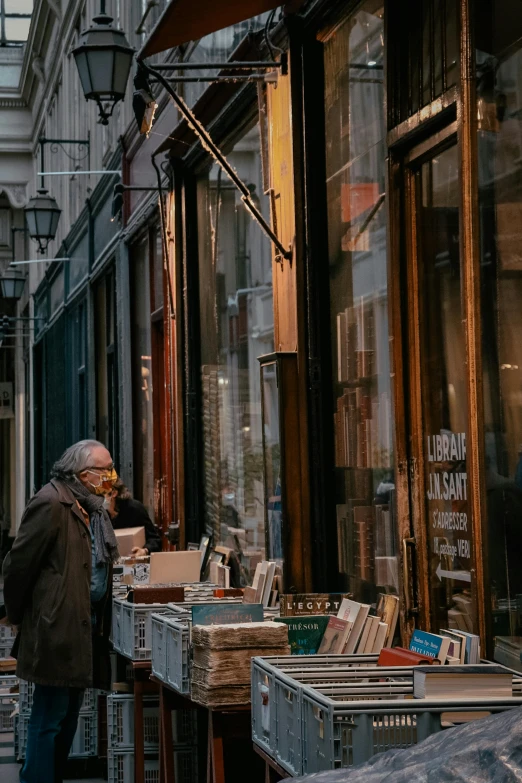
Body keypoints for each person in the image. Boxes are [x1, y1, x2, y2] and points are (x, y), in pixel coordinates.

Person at [2, 439, 119, 783]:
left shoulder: (92, 507)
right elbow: (17, 566)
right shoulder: (52, 502)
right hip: (56, 628)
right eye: (104, 471)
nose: (111, 477)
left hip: (83, 627)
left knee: (67, 714)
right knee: (49, 714)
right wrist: (22, 615)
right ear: (82, 473)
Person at [104, 478, 162, 555]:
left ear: (113, 493)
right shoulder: (98, 513)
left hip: (135, 562)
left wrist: (144, 550)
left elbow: (155, 540)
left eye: (101, 493)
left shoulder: (134, 509)